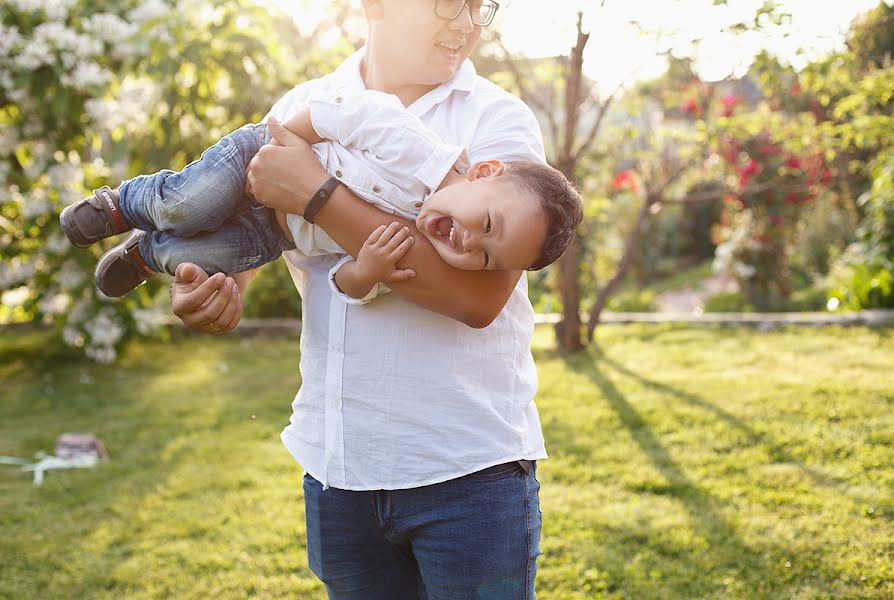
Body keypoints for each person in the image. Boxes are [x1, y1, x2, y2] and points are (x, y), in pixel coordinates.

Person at [170, 0, 555, 597]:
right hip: (339, 469)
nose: (467, 23)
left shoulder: (496, 122)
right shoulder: (303, 106)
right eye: (451, 3)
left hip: (467, 472)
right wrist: (219, 289)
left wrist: (316, 194)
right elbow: (263, 236)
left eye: (483, 7)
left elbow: (477, 299)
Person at [59, 90, 581, 298]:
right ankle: (121, 205)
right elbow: (349, 113)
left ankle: (147, 255)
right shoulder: (420, 153)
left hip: (274, 231)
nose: (470, 245)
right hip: (259, 158)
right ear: (483, 172)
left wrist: (367, 272)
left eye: (487, 258)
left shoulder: (400, 250)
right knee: (186, 205)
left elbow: (347, 286)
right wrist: (290, 144)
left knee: (198, 254)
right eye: (487, 226)